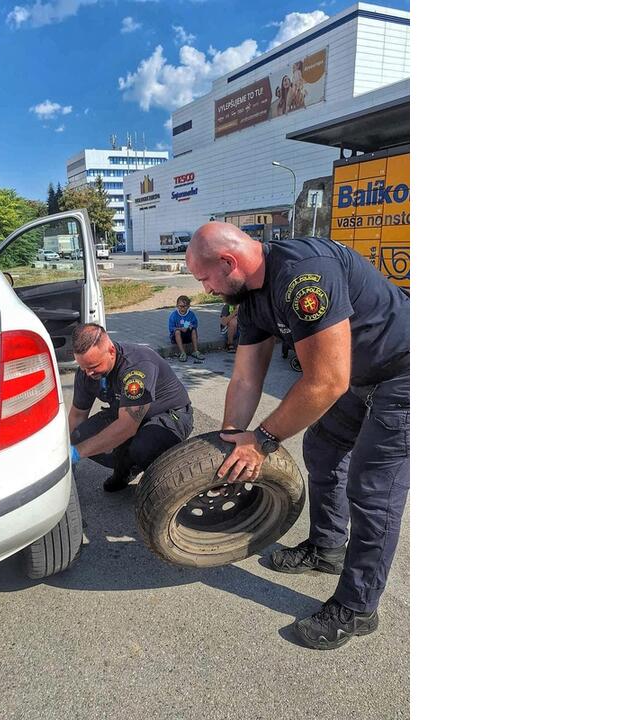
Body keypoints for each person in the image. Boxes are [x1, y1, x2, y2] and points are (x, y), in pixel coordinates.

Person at [185, 222, 409, 651]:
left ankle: (359, 607)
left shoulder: (305, 276)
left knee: (374, 489)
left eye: (205, 278)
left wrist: (263, 437)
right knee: (323, 450)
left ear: (228, 262)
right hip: (357, 377)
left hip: (403, 372)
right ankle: (327, 548)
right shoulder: (250, 296)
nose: (207, 288)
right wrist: (232, 437)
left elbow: (325, 382)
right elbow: (247, 378)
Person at [69, 323, 195, 492]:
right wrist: (66, 451)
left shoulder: (136, 366)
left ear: (111, 351)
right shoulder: (86, 373)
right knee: (78, 436)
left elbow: (127, 427)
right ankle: (126, 468)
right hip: (126, 413)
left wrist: (78, 452)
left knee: (143, 447)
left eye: (93, 366)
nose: (88, 373)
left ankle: (177, 481)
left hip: (170, 415)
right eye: (83, 367)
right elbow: (77, 415)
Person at [167, 295, 204, 362]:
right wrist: (180, 329)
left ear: (188, 306)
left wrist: (191, 326)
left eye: (184, 306)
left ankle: (195, 351)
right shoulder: (174, 315)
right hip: (176, 337)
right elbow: (171, 328)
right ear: (177, 306)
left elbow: (195, 324)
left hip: (187, 336)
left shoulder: (191, 314)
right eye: (180, 306)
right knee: (177, 332)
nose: (182, 308)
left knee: (193, 330)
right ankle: (182, 353)